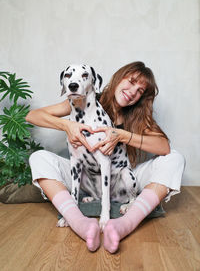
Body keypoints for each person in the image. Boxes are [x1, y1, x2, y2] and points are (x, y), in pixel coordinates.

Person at [26, 61, 185, 253]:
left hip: (120, 180)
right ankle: (79, 222)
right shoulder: (84, 98)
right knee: (39, 157)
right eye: (131, 81)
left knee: (175, 158)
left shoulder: (138, 115)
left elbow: (164, 146)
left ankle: (125, 223)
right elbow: (33, 116)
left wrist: (123, 135)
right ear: (119, 77)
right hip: (88, 181)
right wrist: (67, 126)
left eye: (140, 90)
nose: (132, 91)